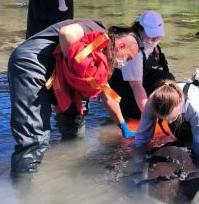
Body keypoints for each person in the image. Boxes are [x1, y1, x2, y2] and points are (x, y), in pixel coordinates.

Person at [8, 19, 141, 175]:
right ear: (121, 46)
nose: (125, 63)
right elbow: (67, 33)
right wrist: (78, 73)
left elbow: (108, 95)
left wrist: (123, 127)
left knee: (75, 124)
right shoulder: (97, 31)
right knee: (35, 139)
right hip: (32, 65)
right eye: (129, 58)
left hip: (56, 74)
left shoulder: (102, 57)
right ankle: (23, 192)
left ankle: (68, 173)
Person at [134, 79, 199, 167]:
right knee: (184, 147)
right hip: (184, 118)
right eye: (165, 120)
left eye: (171, 118)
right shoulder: (152, 103)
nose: (169, 122)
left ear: (180, 102)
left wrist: (197, 165)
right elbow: (142, 135)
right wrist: (138, 160)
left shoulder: (194, 106)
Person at [105, 10, 174, 138]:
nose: (154, 40)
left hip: (142, 79)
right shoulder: (133, 49)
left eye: (157, 36)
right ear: (141, 30)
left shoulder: (153, 45)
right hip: (124, 87)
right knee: (140, 113)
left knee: (167, 79)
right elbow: (136, 86)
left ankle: (161, 108)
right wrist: (149, 117)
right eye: (151, 36)